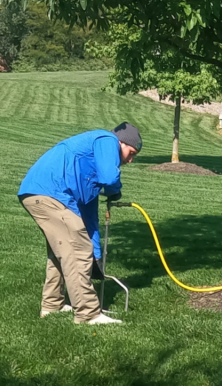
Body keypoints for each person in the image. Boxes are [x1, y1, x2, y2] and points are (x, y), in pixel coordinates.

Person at [18, 122, 142, 325]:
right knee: (77, 249)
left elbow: (89, 218)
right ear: (121, 143)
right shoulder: (107, 140)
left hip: (40, 193)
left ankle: (52, 305)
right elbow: (111, 178)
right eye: (131, 152)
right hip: (49, 193)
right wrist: (114, 190)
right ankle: (88, 314)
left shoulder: (89, 179)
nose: (130, 160)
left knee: (62, 251)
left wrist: (97, 255)